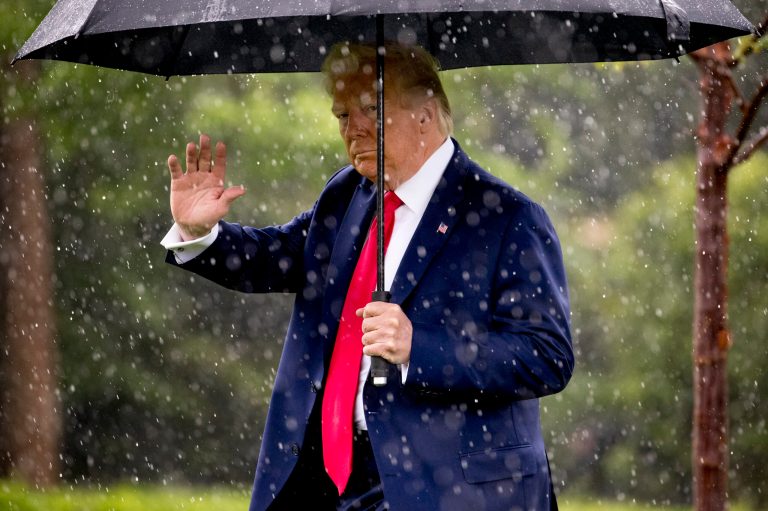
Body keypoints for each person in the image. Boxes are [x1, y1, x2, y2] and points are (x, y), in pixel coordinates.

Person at [161, 42, 574, 511]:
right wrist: (201, 232)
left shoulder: (508, 217)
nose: (352, 127)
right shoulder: (346, 194)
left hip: (447, 488)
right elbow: (278, 256)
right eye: (342, 115)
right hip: (325, 480)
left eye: (371, 108)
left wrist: (419, 346)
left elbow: (547, 355)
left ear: (426, 113)